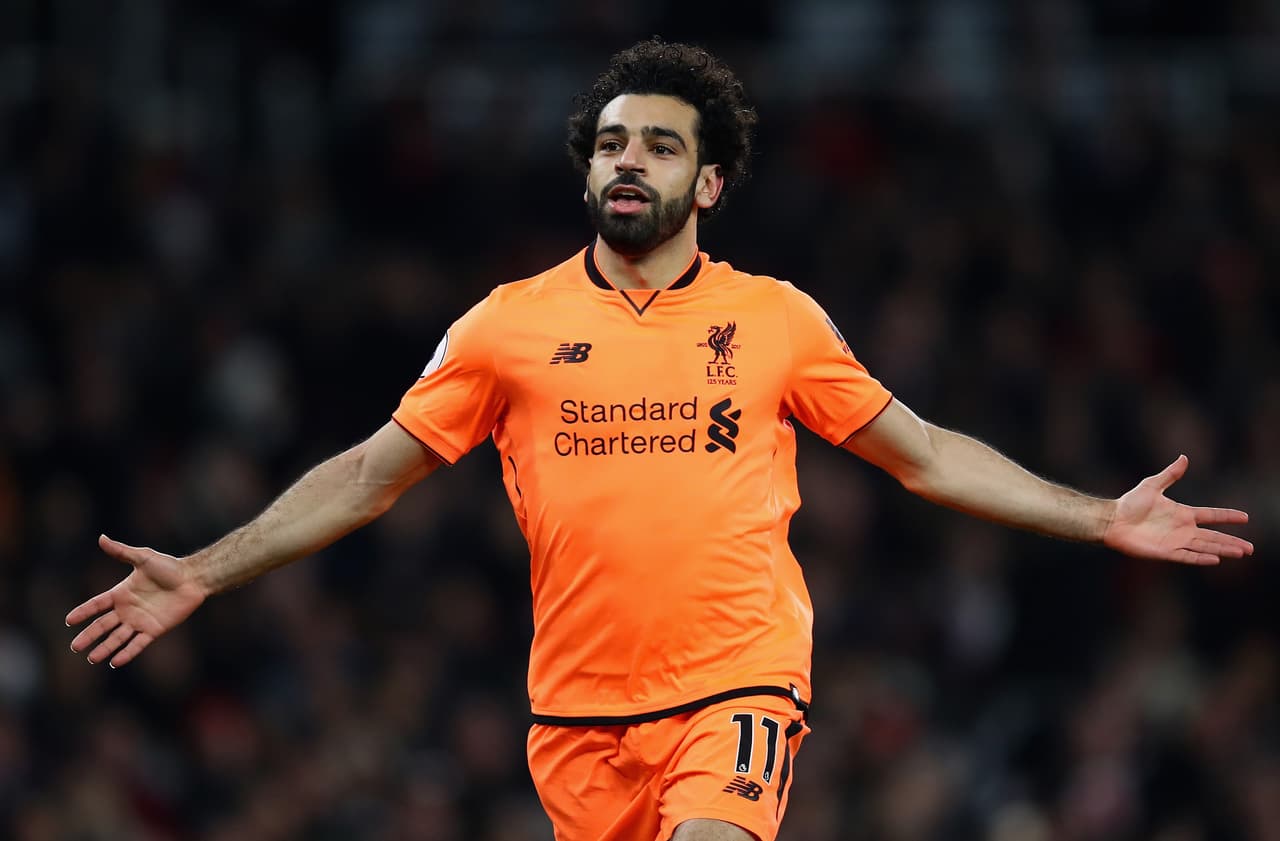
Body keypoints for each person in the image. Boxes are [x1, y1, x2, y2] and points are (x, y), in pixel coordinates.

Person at [67, 39, 1253, 841]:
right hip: (574, 721)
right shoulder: (505, 325)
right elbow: (373, 474)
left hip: (733, 683)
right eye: (610, 143)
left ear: (711, 183)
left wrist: (1098, 513)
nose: (627, 160)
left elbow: (925, 453)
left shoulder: (774, 319)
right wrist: (210, 569)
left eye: (659, 145)